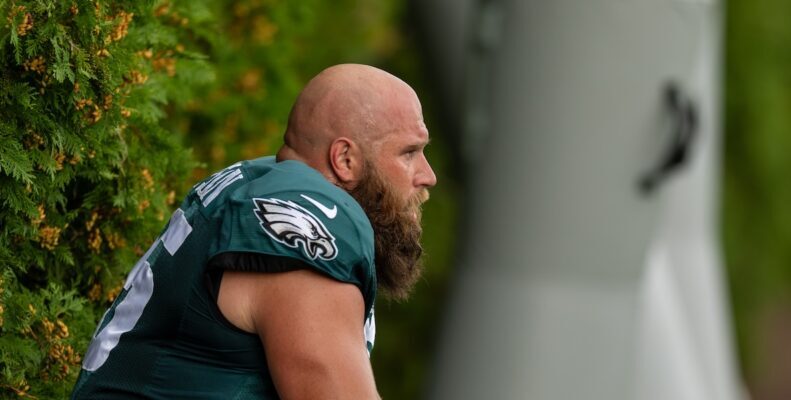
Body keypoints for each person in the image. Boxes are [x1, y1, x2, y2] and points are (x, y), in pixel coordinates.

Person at [70, 64, 437, 399]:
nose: (428, 176)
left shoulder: (258, 183)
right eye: (408, 153)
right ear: (345, 159)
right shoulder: (314, 217)